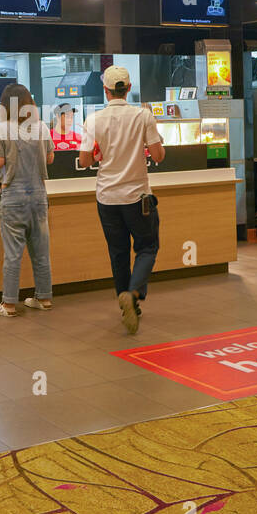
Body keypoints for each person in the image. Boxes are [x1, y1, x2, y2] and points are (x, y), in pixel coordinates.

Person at [78, 66, 166, 334]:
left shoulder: (93, 120)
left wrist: (99, 155)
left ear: (105, 91)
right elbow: (158, 156)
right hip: (137, 197)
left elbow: (84, 161)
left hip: (106, 197)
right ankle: (134, 294)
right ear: (128, 89)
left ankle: (126, 303)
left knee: (118, 253)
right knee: (147, 247)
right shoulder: (143, 116)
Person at [0, 83, 54, 317]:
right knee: (41, 251)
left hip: (13, 194)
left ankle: (8, 304)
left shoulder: (1, 128)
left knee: (13, 253)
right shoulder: (41, 127)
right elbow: (51, 158)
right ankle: (44, 298)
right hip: (38, 195)